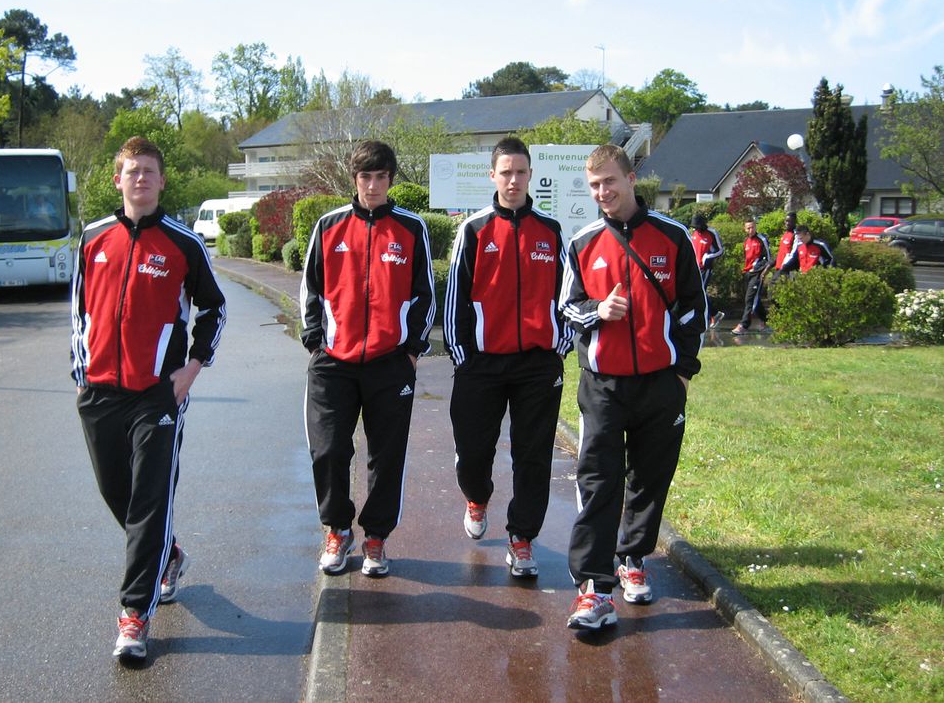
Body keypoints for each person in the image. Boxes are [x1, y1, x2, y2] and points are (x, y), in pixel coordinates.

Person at [71, 136, 226, 661]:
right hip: (98, 392)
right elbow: (79, 313)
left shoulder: (183, 244)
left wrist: (192, 369)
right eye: (132, 170)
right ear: (118, 179)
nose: (140, 178)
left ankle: (134, 615)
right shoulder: (92, 239)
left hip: (155, 396)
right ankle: (168, 554)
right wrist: (80, 373)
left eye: (149, 171)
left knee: (149, 499)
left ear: (162, 181)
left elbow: (213, 310)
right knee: (118, 493)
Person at [559, 144, 706, 630]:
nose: (603, 192)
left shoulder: (673, 237)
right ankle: (594, 590)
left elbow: (692, 309)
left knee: (650, 476)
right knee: (599, 482)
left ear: (630, 177)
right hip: (603, 384)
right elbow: (567, 308)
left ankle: (634, 558)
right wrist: (598, 310)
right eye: (595, 185)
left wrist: (682, 371)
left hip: (661, 384)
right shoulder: (581, 242)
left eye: (610, 182)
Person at [300, 140, 435, 579]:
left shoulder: (411, 228)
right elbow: (311, 290)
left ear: (391, 179)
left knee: (385, 454)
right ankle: (338, 530)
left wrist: (411, 350)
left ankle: (376, 536)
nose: (372, 185)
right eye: (365, 177)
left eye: (380, 177)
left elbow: (424, 294)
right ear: (354, 181)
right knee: (329, 449)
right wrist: (316, 342)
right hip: (333, 363)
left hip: (389, 363)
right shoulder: (328, 226)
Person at [444, 136, 574, 579]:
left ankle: (522, 539)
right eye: (506, 172)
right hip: (481, 363)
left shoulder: (551, 231)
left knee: (533, 455)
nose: (513, 180)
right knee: (473, 453)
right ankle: (477, 499)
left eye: (520, 172)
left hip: (537, 366)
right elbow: (455, 295)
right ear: (492, 176)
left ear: (530, 174)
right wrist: (461, 353)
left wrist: (562, 342)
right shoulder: (475, 229)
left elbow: (569, 294)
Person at [731, 219, 772, 335]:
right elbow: (747, 259)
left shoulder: (762, 239)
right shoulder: (746, 242)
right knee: (754, 300)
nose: (751, 230)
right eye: (748, 228)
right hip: (748, 273)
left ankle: (743, 325)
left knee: (749, 300)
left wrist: (762, 270)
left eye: (752, 227)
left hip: (758, 274)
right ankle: (765, 321)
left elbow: (768, 258)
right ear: (745, 229)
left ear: (755, 227)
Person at [689, 213, 724, 328]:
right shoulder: (694, 234)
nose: (696, 229)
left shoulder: (711, 233)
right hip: (696, 268)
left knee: (701, 292)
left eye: (697, 226)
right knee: (696, 293)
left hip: (706, 268)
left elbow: (720, 250)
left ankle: (710, 316)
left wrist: (707, 257)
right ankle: (714, 314)